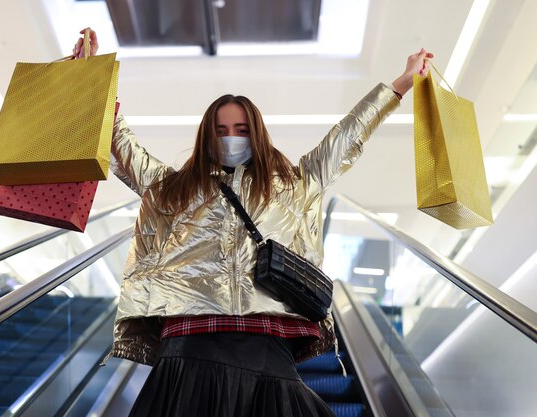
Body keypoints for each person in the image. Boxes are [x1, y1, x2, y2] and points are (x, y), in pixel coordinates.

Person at [74, 27, 433, 417]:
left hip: (267, 347)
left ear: (257, 133)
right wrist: (93, 80)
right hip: (190, 345)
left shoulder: (295, 185)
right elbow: (120, 143)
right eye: (221, 130)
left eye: (241, 130)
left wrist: (398, 87)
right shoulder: (172, 189)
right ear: (206, 136)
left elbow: (345, 138)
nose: (231, 138)